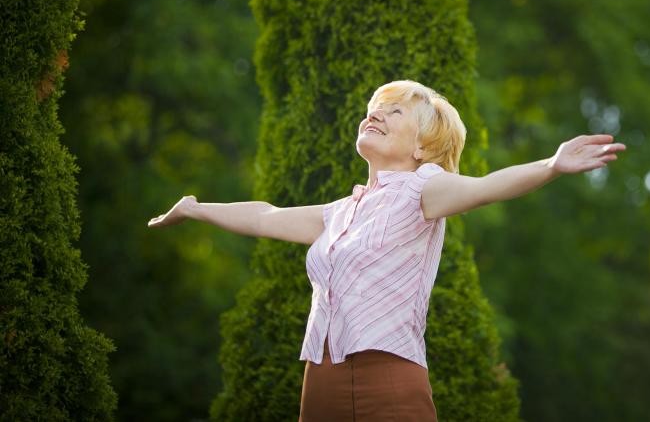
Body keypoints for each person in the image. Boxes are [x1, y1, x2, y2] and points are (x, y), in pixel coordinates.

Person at [147, 79, 626, 421]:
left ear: (422, 146)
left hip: (388, 378)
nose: (374, 114)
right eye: (375, 108)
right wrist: (195, 207)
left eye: (395, 112)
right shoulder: (343, 211)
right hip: (320, 380)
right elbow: (265, 216)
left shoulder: (426, 190)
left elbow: (486, 187)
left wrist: (552, 164)